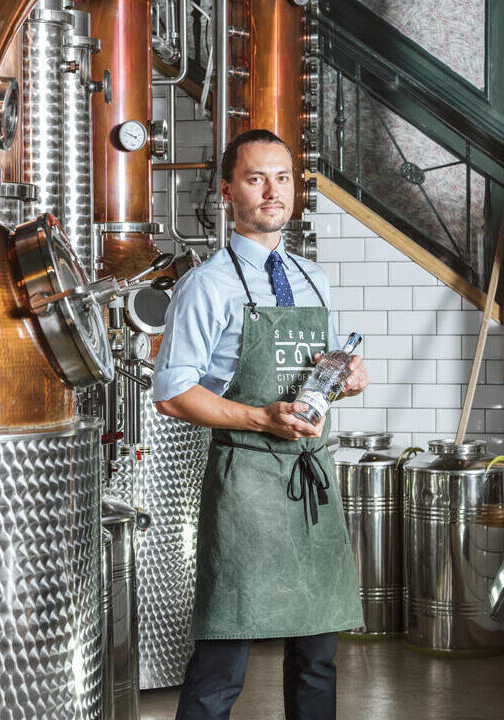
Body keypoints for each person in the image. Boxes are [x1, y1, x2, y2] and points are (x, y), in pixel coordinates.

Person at [153, 128, 369, 720]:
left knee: (318, 657)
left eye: (282, 177)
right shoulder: (206, 284)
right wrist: (258, 418)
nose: (273, 191)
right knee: (223, 662)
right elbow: (171, 394)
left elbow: (318, 370)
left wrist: (346, 377)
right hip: (246, 486)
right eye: (255, 178)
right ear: (228, 192)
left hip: (310, 485)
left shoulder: (311, 278)